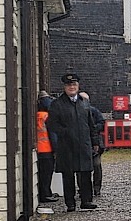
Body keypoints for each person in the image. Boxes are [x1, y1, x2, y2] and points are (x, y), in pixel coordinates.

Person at [46, 72, 100, 212]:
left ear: (78, 86)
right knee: (68, 175)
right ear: (65, 87)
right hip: (67, 145)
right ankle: (70, 203)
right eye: (69, 85)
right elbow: (51, 124)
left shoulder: (84, 103)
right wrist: (65, 132)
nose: (72, 87)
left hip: (83, 143)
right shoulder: (57, 104)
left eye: (74, 84)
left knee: (86, 173)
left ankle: (86, 200)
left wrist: (95, 142)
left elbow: (91, 124)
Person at [79, 92, 106, 196]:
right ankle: (82, 189)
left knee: (96, 165)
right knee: (80, 168)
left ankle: (96, 187)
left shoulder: (94, 111)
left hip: (94, 143)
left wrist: (92, 129)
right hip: (81, 143)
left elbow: (102, 123)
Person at [36, 92, 57, 203]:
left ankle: (44, 193)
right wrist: (56, 149)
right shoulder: (47, 117)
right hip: (47, 149)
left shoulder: (37, 116)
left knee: (41, 174)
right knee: (47, 174)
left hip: (39, 149)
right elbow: (52, 134)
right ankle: (46, 194)